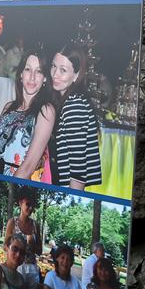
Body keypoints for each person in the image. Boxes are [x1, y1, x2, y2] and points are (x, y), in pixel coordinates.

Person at [0, 52, 57, 182]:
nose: (32, 77)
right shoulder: (8, 108)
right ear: (21, 74)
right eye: (28, 69)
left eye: (39, 71)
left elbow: (29, 165)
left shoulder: (46, 111)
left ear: (45, 78)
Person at [50, 45, 102, 190]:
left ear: (76, 75)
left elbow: (78, 166)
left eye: (63, 70)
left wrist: (73, 195)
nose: (55, 74)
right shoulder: (71, 100)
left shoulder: (74, 104)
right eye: (53, 66)